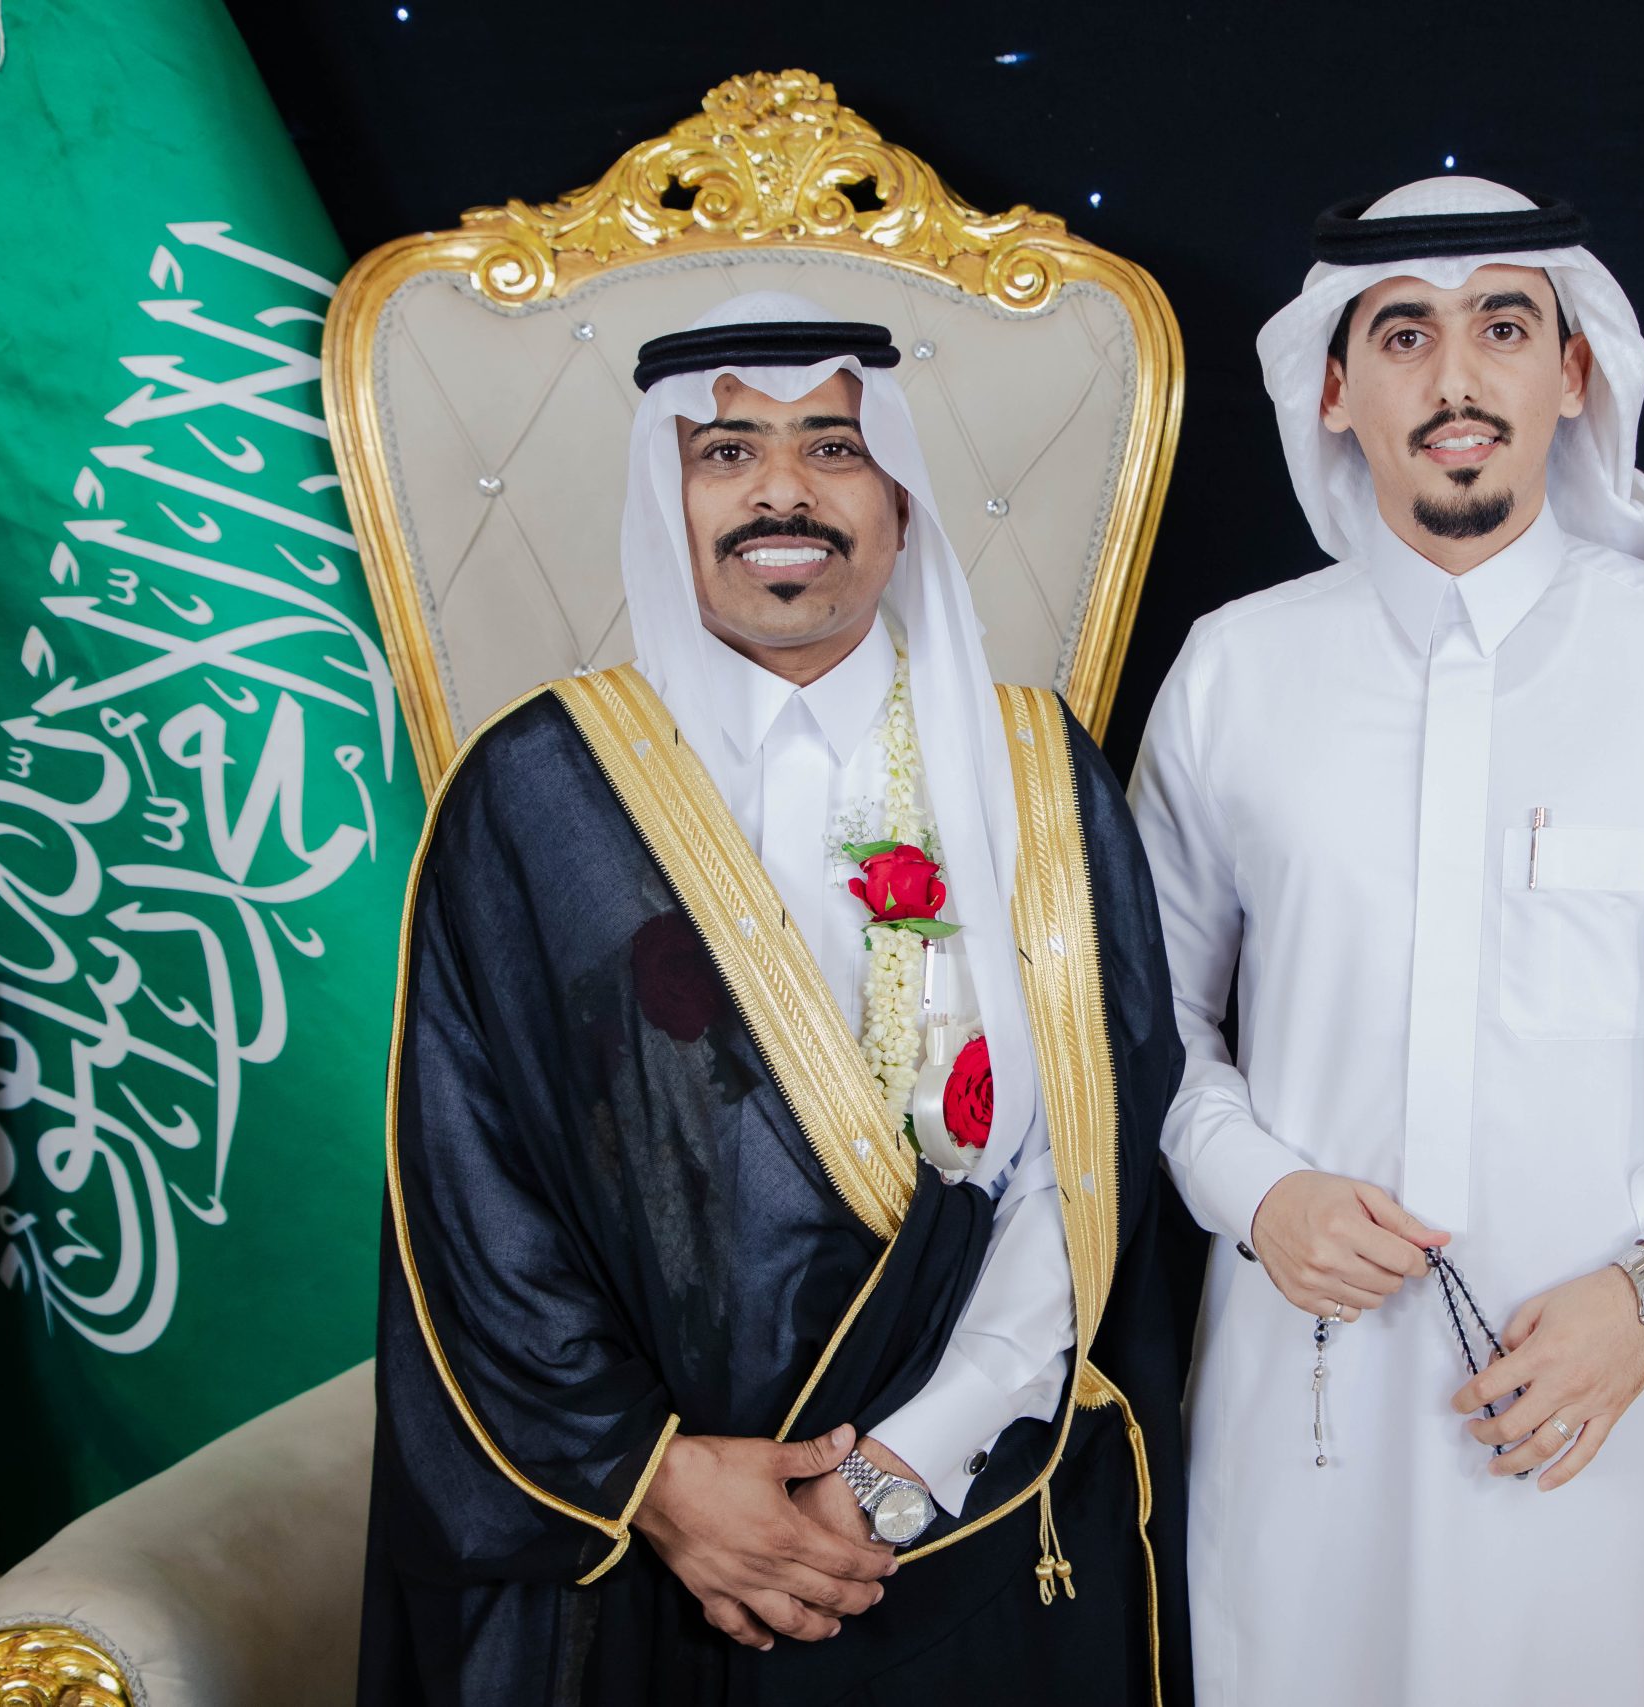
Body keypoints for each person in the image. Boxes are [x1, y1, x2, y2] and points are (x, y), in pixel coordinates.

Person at [1130, 178, 1644, 1705]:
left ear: (1574, 375)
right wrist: (1257, 1190)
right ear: (1333, 388)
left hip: (1620, 1393)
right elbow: (1140, 1012)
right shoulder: (1236, 671)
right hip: (1311, 1393)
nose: (1456, 379)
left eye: (1503, 328)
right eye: (1404, 335)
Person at [361, 293, 1189, 1705]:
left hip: (969, 1499)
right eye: (729, 452)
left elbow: (1090, 1165)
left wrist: (906, 1462)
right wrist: (660, 1482)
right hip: (655, 1546)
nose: (782, 491)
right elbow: (469, 1188)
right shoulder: (538, 791)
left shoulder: (1034, 777)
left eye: (833, 447)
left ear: (902, 501)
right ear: (668, 501)